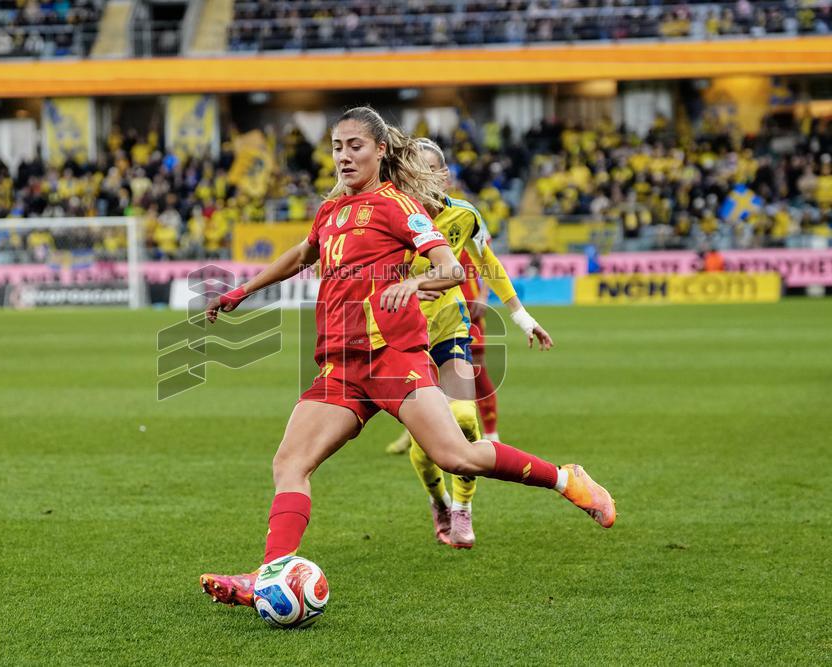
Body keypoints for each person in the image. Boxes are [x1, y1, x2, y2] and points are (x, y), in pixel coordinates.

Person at [199, 107, 614, 609]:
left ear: (379, 151)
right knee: (289, 462)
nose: (345, 155)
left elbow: (450, 268)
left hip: (393, 356)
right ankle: (267, 574)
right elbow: (303, 255)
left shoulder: (398, 206)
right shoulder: (331, 210)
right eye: (337, 146)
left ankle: (568, 479)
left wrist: (414, 282)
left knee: (457, 456)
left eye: (356, 145)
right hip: (341, 364)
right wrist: (243, 289)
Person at [384, 138, 554, 549]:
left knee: (463, 417)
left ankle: (462, 509)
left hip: (448, 328)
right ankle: (437, 499)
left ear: (442, 175)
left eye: (424, 173)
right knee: (428, 441)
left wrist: (521, 317)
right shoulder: (392, 215)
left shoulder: (465, 216)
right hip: (403, 338)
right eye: (409, 175)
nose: (416, 183)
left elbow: (488, 264)